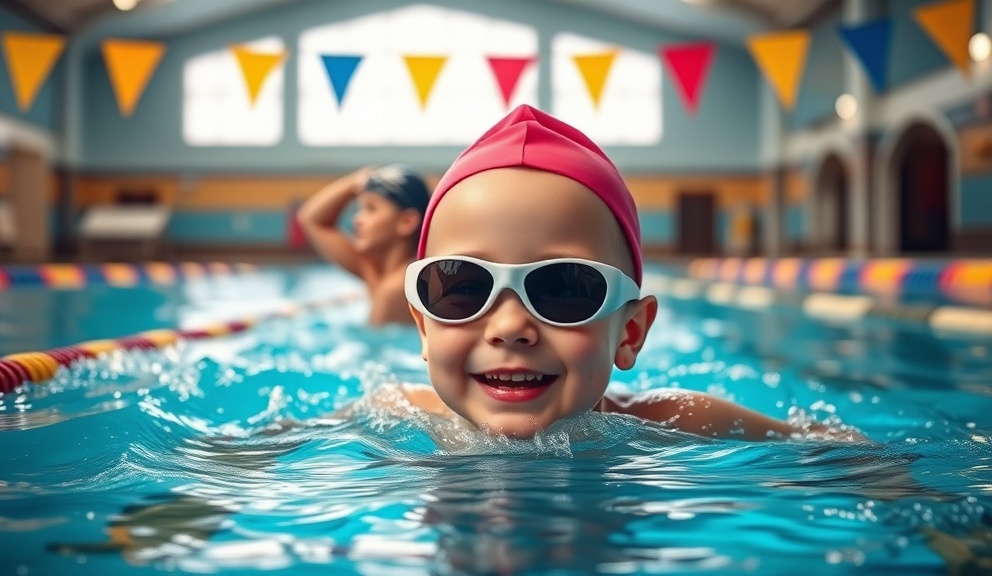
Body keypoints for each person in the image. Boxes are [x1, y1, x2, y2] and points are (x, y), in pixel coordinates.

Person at [395, 104, 864, 441]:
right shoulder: (396, 416)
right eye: (464, 287)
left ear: (630, 331)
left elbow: (835, 447)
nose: (510, 328)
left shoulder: (679, 423)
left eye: (564, 288)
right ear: (423, 326)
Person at [297, 164, 430, 326]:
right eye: (360, 208)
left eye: (371, 209)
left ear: (406, 221)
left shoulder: (397, 289)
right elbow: (311, 219)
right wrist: (355, 183)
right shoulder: (373, 269)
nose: (357, 219)